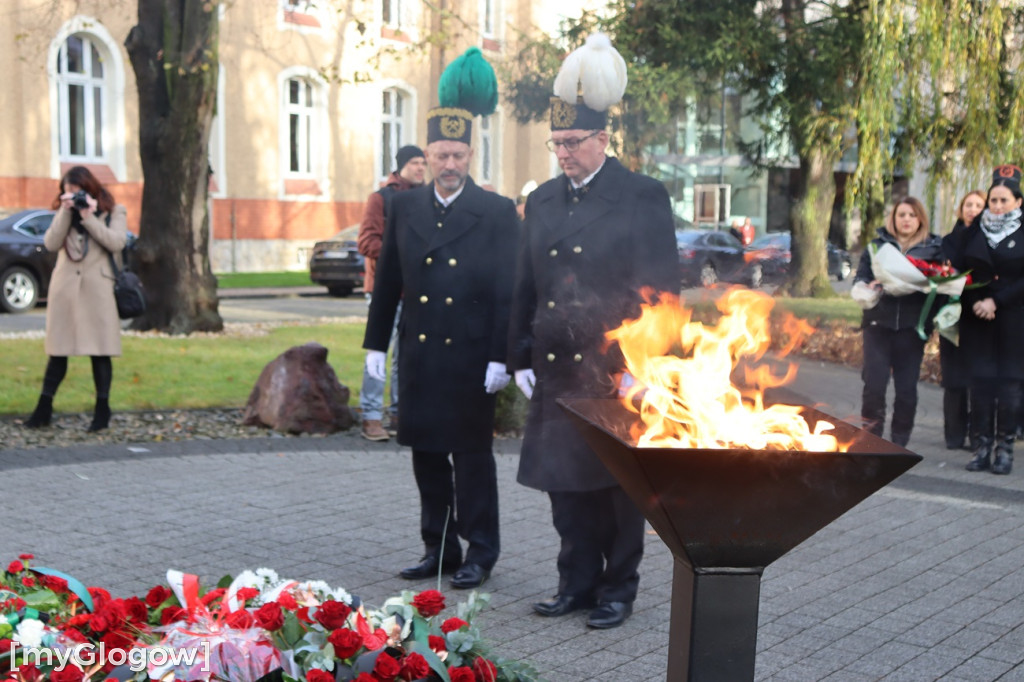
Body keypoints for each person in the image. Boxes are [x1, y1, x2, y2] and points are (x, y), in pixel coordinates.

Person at [507, 33, 678, 630]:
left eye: (572, 143)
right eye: (556, 144)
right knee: (564, 485)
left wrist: (648, 369)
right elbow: (524, 283)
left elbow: (662, 293)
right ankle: (574, 584)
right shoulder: (545, 200)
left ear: (603, 139)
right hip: (557, 366)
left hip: (618, 369)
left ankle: (617, 589)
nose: (563, 154)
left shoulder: (641, 197)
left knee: (616, 487)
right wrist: (518, 355)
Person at [363, 47, 519, 589]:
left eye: (459, 155)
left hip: (474, 356)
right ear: (426, 155)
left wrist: (503, 355)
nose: (450, 164)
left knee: (472, 461)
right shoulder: (403, 207)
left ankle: (481, 552)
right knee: (427, 455)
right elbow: (388, 281)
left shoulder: (497, 212)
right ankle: (440, 546)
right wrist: (375, 346)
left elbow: (508, 291)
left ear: (471, 155)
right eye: (441, 154)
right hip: (423, 351)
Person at [22, 166, 128, 432]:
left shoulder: (114, 211)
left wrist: (89, 217)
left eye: (75, 192)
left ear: (89, 188)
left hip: (98, 290)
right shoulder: (65, 213)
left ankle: (102, 411)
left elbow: (117, 242)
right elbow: (50, 243)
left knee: (100, 351)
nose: (71, 196)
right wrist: (64, 212)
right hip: (66, 289)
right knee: (58, 351)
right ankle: (43, 409)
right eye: (66, 192)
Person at [945, 165, 1024, 475]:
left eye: (1005, 200)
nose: (998, 206)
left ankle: (1004, 451)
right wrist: (977, 300)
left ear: (1018, 202)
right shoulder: (972, 231)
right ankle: (981, 448)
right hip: (977, 318)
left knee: (1008, 387)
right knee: (979, 385)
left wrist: (997, 300)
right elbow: (957, 272)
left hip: (1013, 319)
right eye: (994, 200)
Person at [853, 196, 943, 447]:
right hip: (877, 326)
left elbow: (942, 286)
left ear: (920, 219)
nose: (906, 220)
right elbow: (860, 278)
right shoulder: (877, 246)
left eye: (912, 215)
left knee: (906, 391)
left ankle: (899, 442)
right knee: (873, 386)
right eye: (901, 215)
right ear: (893, 219)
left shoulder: (934, 248)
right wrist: (867, 286)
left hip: (912, 329)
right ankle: (871, 440)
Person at [356, 144, 426, 441]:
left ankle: (401, 412)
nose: (421, 168)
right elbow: (366, 242)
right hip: (386, 289)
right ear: (400, 166)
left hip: (417, 290)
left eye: (424, 162)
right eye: (415, 163)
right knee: (377, 352)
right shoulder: (381, 198)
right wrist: (401, 255)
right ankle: (371, 416)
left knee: (407, 356)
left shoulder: (428, 198)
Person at [940, 190, 985, 450]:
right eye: (968, 204)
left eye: (979, 205)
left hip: (979, 316)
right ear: (961, 208)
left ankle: (978, 434)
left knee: (978, 377)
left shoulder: (988, 240)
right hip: (952, 313)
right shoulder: (948, 241)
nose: (973, 209)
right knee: (953, 377)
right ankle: (953, 435)